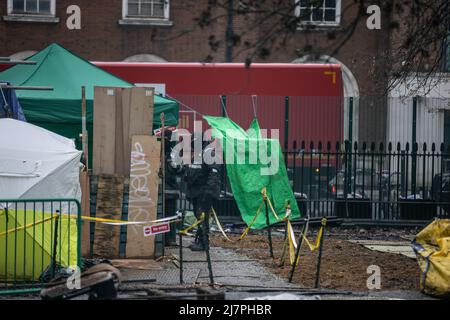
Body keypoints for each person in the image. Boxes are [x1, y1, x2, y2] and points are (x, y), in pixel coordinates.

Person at [184, 139, 222, 251]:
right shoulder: (198, 154)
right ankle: (200, 240)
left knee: (202, 217)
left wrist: (208, 191)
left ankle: (204, 243)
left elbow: (214, 173)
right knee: (198, 216)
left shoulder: (208, 153)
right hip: (196, 191)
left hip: (204, 192)